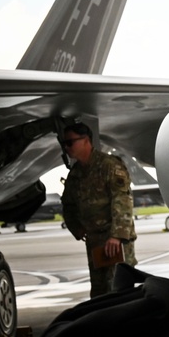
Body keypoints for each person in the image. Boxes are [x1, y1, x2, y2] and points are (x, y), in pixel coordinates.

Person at [59, 123, 138, 297]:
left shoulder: (109, 166)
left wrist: (116, 236)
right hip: (95, 241)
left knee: (119, 289)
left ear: (86, 141)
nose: (66, 147)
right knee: (100, 293)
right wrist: (76, 228)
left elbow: (122, 200)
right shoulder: (76, 174)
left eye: (70, 142)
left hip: (115, 241)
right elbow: (68, 204)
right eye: (64, 143)